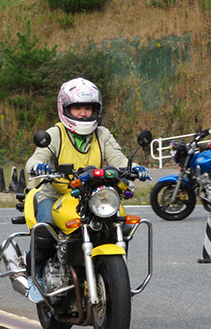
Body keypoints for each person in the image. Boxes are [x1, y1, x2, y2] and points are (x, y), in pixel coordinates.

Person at [24, 77, 150, 302]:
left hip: (93, 194)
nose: (83, 114)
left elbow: (118, 158)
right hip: (56, 194)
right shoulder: (56, 134)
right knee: (45, 226)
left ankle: (114, 278)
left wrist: (134, 168)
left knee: (120, 222)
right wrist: (38, 166)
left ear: (96, 110)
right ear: (65, 108)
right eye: (77, 108)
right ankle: (36, 275)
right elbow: (36, 158)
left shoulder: (102, 134)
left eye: (88, 108)